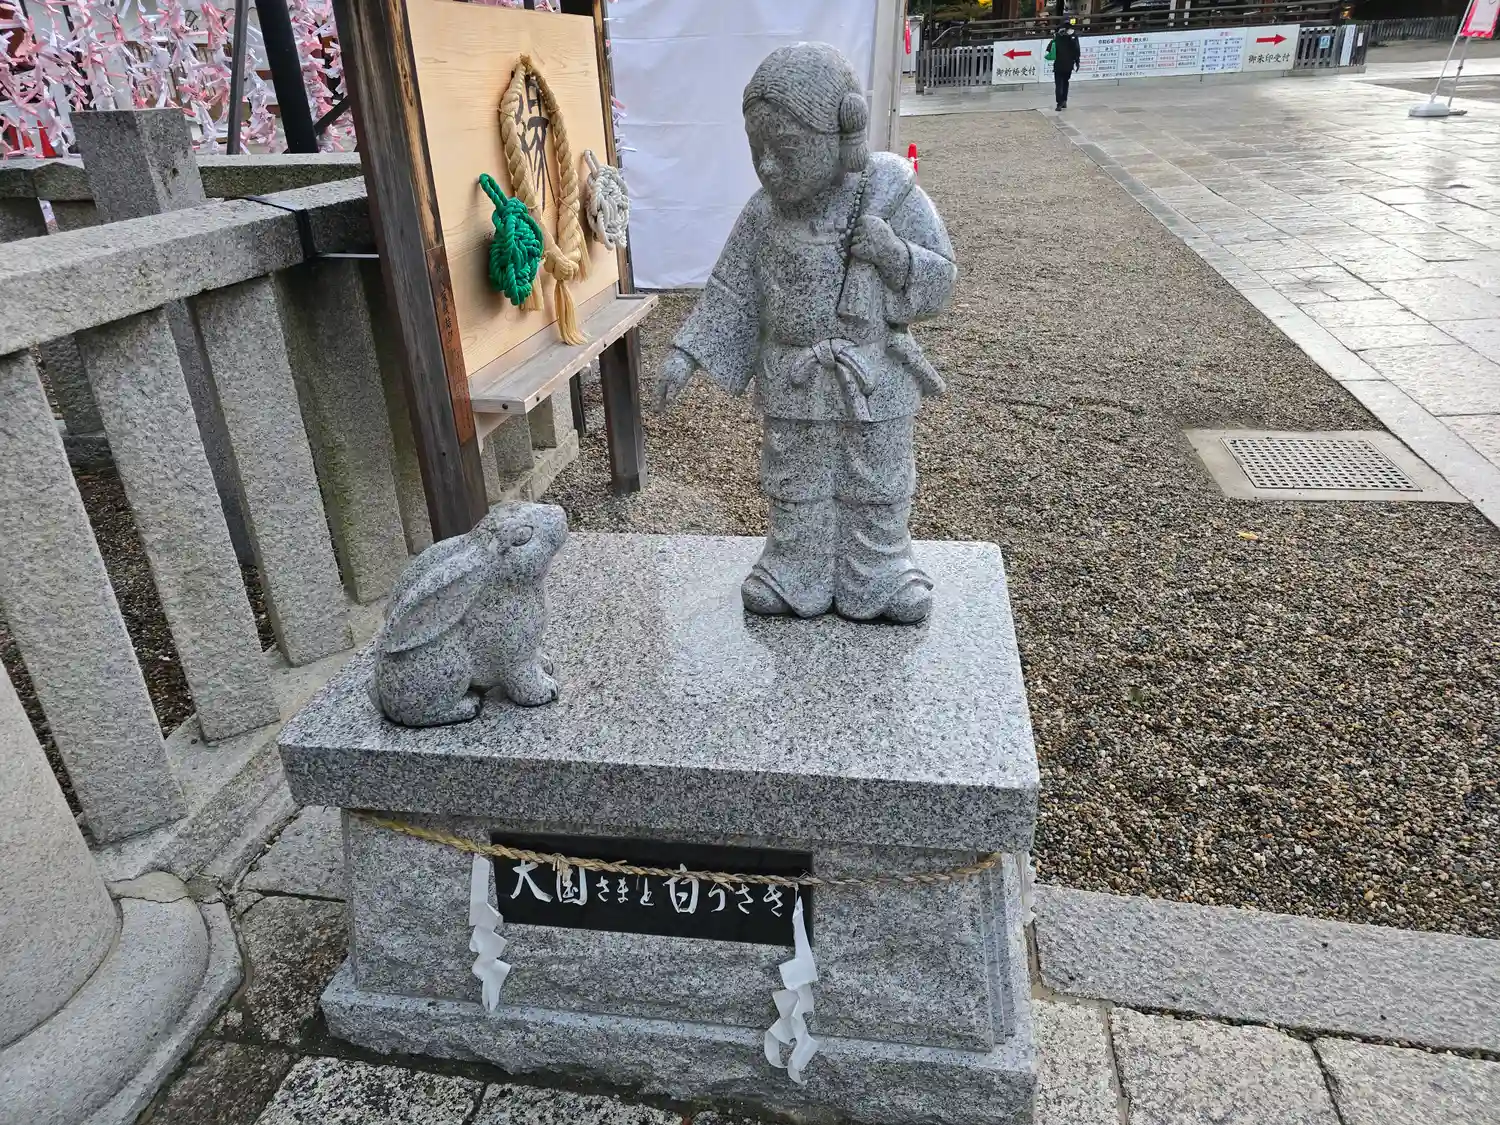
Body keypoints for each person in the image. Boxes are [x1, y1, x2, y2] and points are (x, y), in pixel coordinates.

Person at [655, 43, 957, 623]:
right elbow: (732, 289)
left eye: (785, 151)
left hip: (873, 373)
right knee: (795, 478)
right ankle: (795, 569)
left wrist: (895, 255)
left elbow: (941, 281)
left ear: (840, 134)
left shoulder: (893, 197)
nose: (768, 168)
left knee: (878, 478)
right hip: (793, 377)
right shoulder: (762, 213)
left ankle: (881, 572)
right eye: (758, 153)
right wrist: (687, 353)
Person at [1048, 19, 1082, 111]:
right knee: (1065, 82)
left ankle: (1059, 103)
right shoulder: (1073, 36)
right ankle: (1064, 101)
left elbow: (1049, 48)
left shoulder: (1058, 36)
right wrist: (1077, 62)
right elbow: (1077, 50)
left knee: (1059, 84)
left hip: (1058, 64)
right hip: (1069, 64)